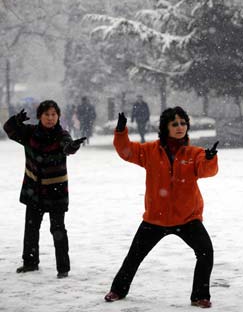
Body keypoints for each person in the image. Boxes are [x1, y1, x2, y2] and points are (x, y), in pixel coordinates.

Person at [104, 106, 219, 308]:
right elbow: (126, 151)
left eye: (183, 123)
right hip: (155, 218)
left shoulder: (195, 153)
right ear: (165, 127)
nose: (179, 127)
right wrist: (121, 132)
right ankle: (118, 290)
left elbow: (206, 170)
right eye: (174, 124)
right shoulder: (150, 151)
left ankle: (200, 296)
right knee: (134, 256)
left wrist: (210, 159)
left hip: (187, 218)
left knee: (206, 252)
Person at [3, 100, 86, 278]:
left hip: (56, 191)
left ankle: (63, 268)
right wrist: (17, 120)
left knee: (58, 229)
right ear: (40, 116)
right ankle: (30, 263)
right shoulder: (30, 133)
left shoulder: (62, 135)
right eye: (46, 115)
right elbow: (8, 129)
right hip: (34, 190)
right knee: (31, 228)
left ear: (58, 116)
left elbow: (67, 146)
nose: (50, 118)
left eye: (53, 115)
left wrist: (72, 147)